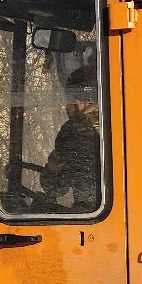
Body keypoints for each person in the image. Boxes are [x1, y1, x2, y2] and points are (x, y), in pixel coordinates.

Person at [41, 62, 100, 210]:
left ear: (82, 101)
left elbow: (55, 187)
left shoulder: (75, 129)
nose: (67, 107)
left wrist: (51, 170)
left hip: (90, 211)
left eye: (69, 100)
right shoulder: (120, 120)